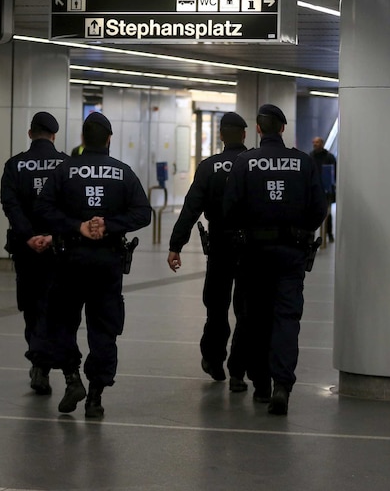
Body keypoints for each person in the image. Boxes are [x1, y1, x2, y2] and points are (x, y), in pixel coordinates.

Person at [34, 111, 151, 418]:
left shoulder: (64, 170)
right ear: (109, 140)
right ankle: (96, 396)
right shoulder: (123, 172)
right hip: (107, 262)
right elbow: (143, 214)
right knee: (104, 328)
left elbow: (43, 208)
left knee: (61, 322)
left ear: (83, 140)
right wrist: (109, 224)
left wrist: (76, 226)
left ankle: (72, 378)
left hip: (69, 260)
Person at [223, 104, 327, 415]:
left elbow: (229, 209)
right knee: (286, 318)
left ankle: (262, 385)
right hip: (291, 253)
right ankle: (283, 384)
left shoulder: (244, 162)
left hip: (253, 254)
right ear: (282, 129)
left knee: (255, 318)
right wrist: (300, 231)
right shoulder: (303, 162)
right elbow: (319, 208)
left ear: (257, 129)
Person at [167, 112, 249, 392]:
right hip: (251, 247)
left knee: (216, 306)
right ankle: (239, 371)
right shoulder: (254, 163)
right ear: (245, 135)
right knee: (246, 309)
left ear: (221, 136)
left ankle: (214, 360)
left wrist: (176, 245)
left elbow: (191, 207)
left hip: (220, 245)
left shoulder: (208, 167)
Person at [0, 112, 68, 395]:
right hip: (58, 249)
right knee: (56, 307)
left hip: (26, 251)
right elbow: (70, 206)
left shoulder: (15, 165)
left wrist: (29, 236)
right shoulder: (66, 164)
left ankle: (39, 363)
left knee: (31, 306)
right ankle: (47, 361)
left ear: (30, 134)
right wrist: (52, 235)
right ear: (53, 135)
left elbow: (10, 205)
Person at [310, 136, 337, 242]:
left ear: (322, 143)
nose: (315, 144)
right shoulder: (310, 157)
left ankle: (329, 233)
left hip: (327, 190)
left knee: (328, 213)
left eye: (317, 142)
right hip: (314, 190)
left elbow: (334, 173)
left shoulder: (329, 157)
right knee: (312, 213)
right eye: (314, 142)